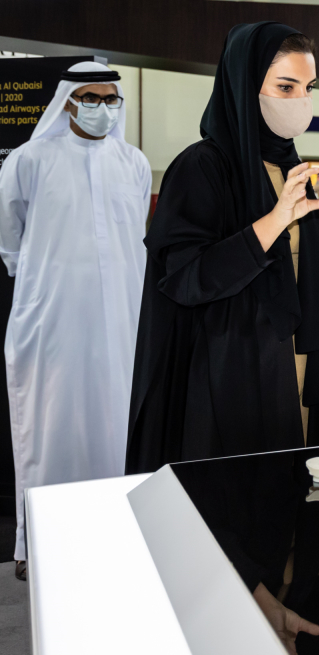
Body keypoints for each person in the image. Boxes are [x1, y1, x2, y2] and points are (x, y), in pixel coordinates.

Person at [126, 23, 319, 474]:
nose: (300, 101)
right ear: (244, 85)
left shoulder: (288, 166)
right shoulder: (201, 167)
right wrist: (273, 221)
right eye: (285, 87)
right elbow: (186, 278)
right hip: (232, 367)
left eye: (308, 88)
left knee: (297, 482)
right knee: (242, 490)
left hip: (298, 357)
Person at [0, 62, 150, 576]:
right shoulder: (29, 160)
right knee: (50, 427)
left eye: (110, 99)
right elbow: (10, 241)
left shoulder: (134, 163)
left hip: (123, 319)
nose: (102, 108)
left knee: (117, 425)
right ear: (67, 101)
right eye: (91, 98)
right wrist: (49, 283)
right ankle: (39, 544)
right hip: (53, 318)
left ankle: (115, 534)